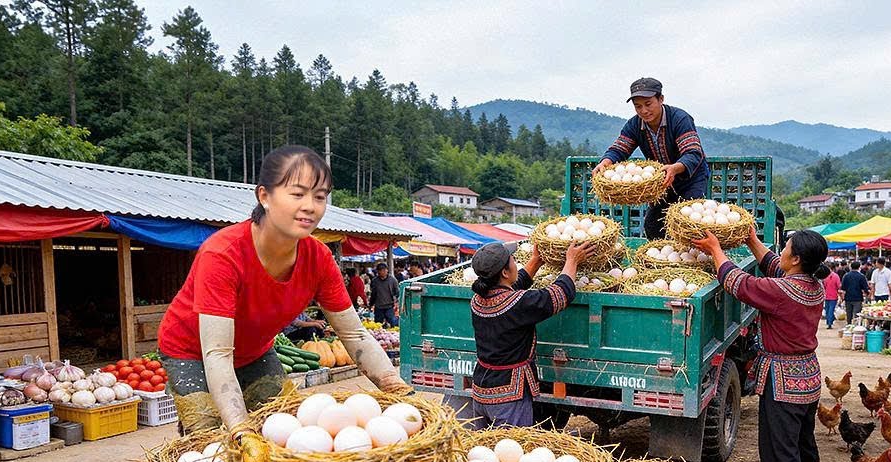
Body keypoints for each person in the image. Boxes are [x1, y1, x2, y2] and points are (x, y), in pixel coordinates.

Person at [157, 145, 407, 434]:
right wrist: (239, 430)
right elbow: (218, 353)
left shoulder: (319, 258)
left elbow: (354, 334)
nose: (310, 206)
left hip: (252, 352)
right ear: (264, 196)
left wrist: (396, 388)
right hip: (193, 351)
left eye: (320, 196)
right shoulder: (223, 254)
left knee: (284, 425)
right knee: (208, 435)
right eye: (297, 194)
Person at [692, 227, 830, 462]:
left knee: (780, 447)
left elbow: (738, 283)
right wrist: (752, 240)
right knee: (804, 441)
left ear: (796, 259)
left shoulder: (782, 292)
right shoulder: (813, 286)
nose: (781, 252)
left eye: (786, 248)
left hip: (783, 382)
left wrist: (716, 250)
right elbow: (773, 265)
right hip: (808, 377)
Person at [468, 240, 591, 427]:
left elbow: (511, 287)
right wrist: (572, 260)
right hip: (508, 399)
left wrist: (535, 261)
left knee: (487, 450)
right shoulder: (518, 304)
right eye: (513, 260)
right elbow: (560, 293)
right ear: (504, 272)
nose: (516, 262)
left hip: (482, 392)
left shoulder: (478, 300)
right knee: (512, 450)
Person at [593, 77, 709, 240]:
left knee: (688, 223)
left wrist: (674, 168)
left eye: (648, 104)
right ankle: (661, 262)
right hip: (661, 182)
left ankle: (691, 262)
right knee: (653, 225)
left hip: (690, 179)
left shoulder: (679, 119)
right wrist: (605, 162)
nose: (644, 111)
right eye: (638, 106)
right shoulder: (634, 125)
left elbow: (693, 153)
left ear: (661, 99)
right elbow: (619, 149)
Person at [822, 263, 841, 329]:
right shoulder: (836, 276)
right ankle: (830, 323)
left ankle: (828, 322)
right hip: (833, 295)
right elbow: (839, 286)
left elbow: (823, 286)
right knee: (831, 309)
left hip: (826, 295)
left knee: (827, 309)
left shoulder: (824, 276)